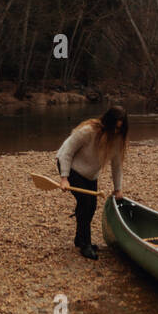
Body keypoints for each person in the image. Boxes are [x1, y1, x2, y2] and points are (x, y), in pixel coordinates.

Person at [55, 106, 127, 260]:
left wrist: (118, 189)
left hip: (90, 174)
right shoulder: (88, 131)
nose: (116, 132)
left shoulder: (117, 139)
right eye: (114, 128)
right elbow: (67, 152)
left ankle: (79, 239)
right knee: (86, 203)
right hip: (70, 167)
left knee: (91, 206)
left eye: (119, 129)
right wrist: (64, 178)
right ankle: (85, 244)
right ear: (107, 123)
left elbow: (117, 166)